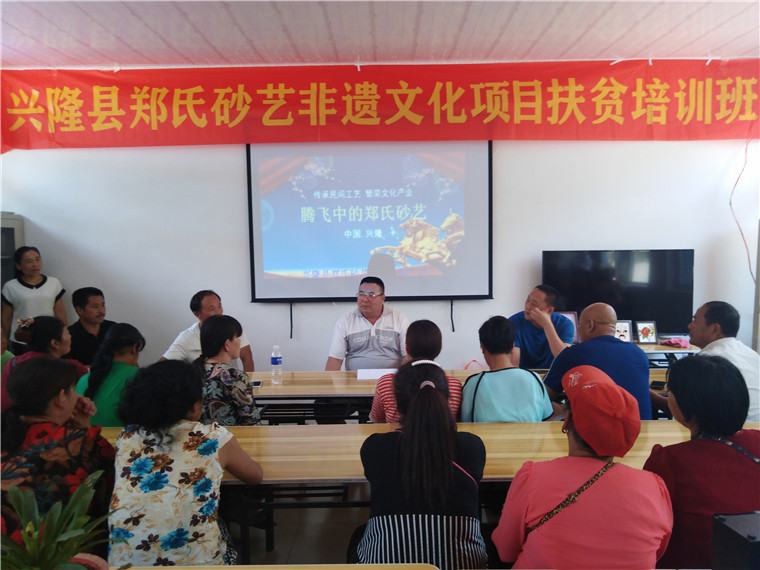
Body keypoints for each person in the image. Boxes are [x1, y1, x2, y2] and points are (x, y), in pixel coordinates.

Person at [492, 365, 672, 569]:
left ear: (567, 421)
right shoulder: (654, 487)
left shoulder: (532, 476)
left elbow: (505, 551)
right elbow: (658, 551)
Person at [108, 360, 264, 567]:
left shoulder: (127, 437)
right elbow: (255, 476)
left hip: (123, 564)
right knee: (226, 537)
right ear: (194, 406)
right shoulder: (213, 437)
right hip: (199, 563)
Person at [355, 362, 487, 568]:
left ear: (398, 403)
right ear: (447, 400)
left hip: (384, 564)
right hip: (463, 564)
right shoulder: (471, 446)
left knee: (358, 534)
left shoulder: (375, 447)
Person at [644, 355, 760, 569]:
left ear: (686, 405)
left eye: (671, 392)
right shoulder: (757, 439)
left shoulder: (668, 461)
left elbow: (651, 529)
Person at [1, 358, 115, 535]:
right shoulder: (82, 442)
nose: (77, 396)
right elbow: (109, 485)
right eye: (73, 390)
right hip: (59, 546)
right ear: (61, 397)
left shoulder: (8, 430)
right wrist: (85, 426)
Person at [542, 303, 652, 419]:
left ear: (590, 325)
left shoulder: (573, 354)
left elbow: (543, 397)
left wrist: (563, 409)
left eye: (579, 325)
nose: (578, 330)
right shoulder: (639, 354)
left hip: (597, 429)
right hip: (642, 427)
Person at [461, 316, 553, 422]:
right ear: (513, 346)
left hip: (485, 434)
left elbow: (466, 422)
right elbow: (546, 417)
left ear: (482, 347)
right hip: (531, 434)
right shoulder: (534, 378)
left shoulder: (474, 383)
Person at [370, 319, 462, 423]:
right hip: (442, 434)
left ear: (406, 347)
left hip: (398, 434)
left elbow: (376, 420)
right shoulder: (454, 385)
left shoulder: (386, 383)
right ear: (439, 349)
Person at [687, 301, 760, 421]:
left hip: (728, 430)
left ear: (715, 329)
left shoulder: (707, 360)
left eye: (695, 320)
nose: (690, 326)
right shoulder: (752, 355)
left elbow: (686, 412)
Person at [1, 316, 88, 412]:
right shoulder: (66, 368)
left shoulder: (12, 363)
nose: (70, 336)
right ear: (55, 343)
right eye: (67, 333)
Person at [325, 276, 410, 371]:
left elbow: (407, 356)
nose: (365, 299)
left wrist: (402, 377)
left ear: (382, 298)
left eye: (371, 295)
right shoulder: (346, 320)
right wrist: (327, 380)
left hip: (390, 378)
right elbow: (335, 359)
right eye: (361, 294)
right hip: (355, 378)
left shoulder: (398, 318)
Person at [163, 290, 254, 372]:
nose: (219, 312)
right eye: (212, 309)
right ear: (197, 314)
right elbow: (162, 366)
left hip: (232, 382)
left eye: (219, 306)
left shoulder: (232, 328)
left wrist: (247, 382)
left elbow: (247, 358)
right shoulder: (186, 337)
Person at [194, 314, 260, 426]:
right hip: (230, 436)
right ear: (227, 344)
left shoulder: (191, 370)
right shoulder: (235, 376)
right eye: (237, 337)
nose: (240, 341)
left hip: (199, 435)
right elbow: (251, 419)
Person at [75, 323, 144, 427]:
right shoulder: (140, 377)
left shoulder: (84, 379)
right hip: (121, 436)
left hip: (85, 435)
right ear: (135, 348)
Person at [1, 246, 67, 354]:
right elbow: (6, 319)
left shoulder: (54, 283)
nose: (35, 264)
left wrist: (63, 336)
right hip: (21, 339)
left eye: (37, 259)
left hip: (48, 339)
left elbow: (61, 314)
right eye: (29, 261)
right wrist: (4, 339)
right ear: (18, 266)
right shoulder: (10, 286)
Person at [508, 284, 573, 369]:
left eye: (534, 304)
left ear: (549, 310)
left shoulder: (565, 324)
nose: (528, 306)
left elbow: (563, 359)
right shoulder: (513, 322)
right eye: (527, 300)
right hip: (524, 374)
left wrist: (547, 325)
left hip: (553, 373)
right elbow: (513, 364)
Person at [66, 287, 115, 365]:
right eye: (95, 307)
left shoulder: (114, 329)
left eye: (103, 305)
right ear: (79, 310)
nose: (101, 311)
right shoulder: (68, 336)